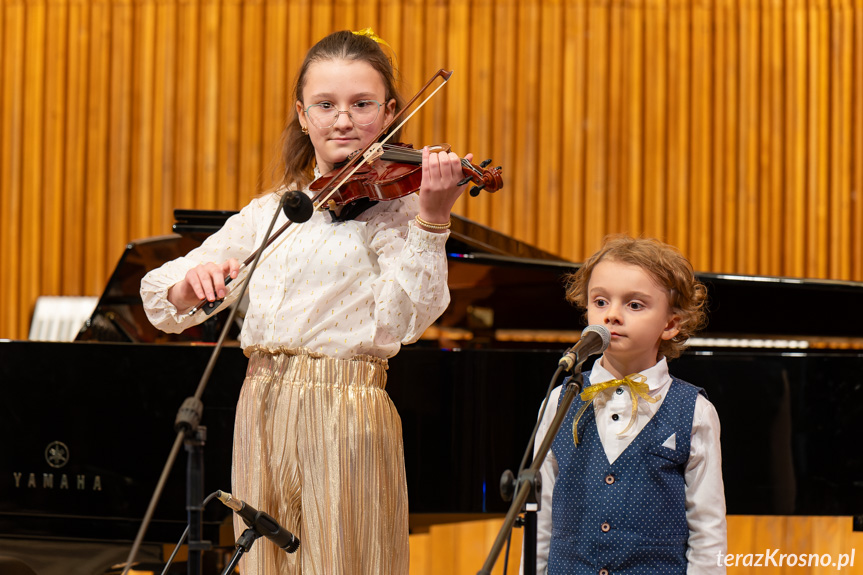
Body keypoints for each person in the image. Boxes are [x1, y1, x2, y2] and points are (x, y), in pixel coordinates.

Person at [141, 29, 472, 575]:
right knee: (264, 562)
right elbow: (161, 297)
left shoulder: (399, 213)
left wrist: (433, 217)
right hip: (261, 405)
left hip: (347, 410)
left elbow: (405, 319)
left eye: (361, 104)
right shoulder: (275, 210)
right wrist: (193, 280)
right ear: (303, 114)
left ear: (389, 113)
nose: (343, 120)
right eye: (326, 105)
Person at [522, 235, 727, 574]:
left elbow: (708, 529)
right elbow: (540, 516)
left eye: (634, 305)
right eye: (600, 301)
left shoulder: (694, 411)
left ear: (671, 323)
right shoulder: (560, 400)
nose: (612, 315)